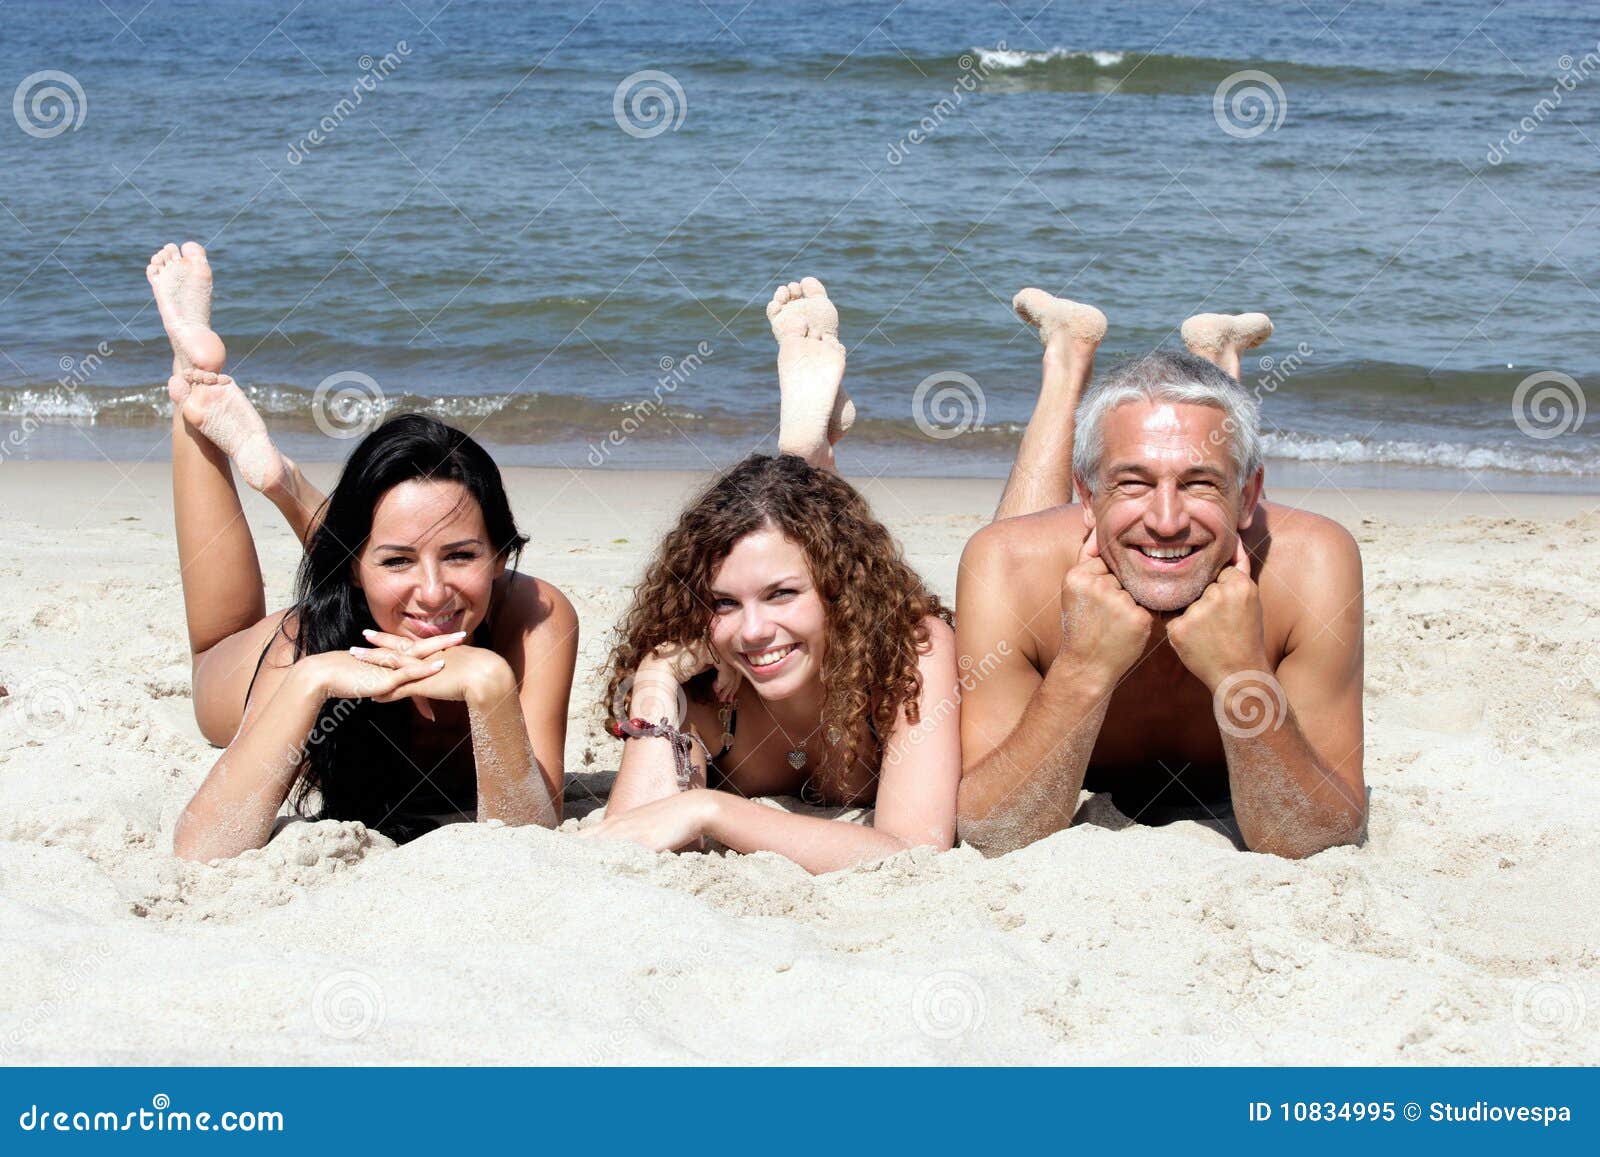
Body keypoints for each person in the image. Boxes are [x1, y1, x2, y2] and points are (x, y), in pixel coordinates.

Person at [147, 242, 577, 860]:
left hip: (360, 574)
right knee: (217, 642)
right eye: (399, 563)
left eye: (462, 556)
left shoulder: (537, 618)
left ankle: (286, 484)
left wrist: (489, 685)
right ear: (352, 570)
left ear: (502, 555)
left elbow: (533, 833)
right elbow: (202, 849)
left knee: (390, 545)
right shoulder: (307, 643)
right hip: (305, 639)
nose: (434, 593)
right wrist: (312, 680)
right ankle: (193, 385)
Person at [954, 289, 1364, 859]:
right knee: (1021, 540)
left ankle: (1214, 365)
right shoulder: (1005, 563)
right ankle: (1067, 358)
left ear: (1249, 498)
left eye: (1199, 483)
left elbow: (1319, 838)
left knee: (1212, 437)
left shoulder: (1315, 562)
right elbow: (991, 832)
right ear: (1086, 497)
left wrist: (1240, 671)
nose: (1167, 521)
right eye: (1132, 483)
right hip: (1053, 540)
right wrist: (1083, 668)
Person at [580, 279, 962, 873]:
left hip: (881, 636)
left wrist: (713, 811)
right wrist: (655, 684)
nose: (753, 631)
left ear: (840, 592)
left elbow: (914, 850)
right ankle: (809, 463)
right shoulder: (706, 687)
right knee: (803, 535)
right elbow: (625, 842)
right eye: (724, 603)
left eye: (782, 595)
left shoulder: (908, 654)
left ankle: (809, 460)